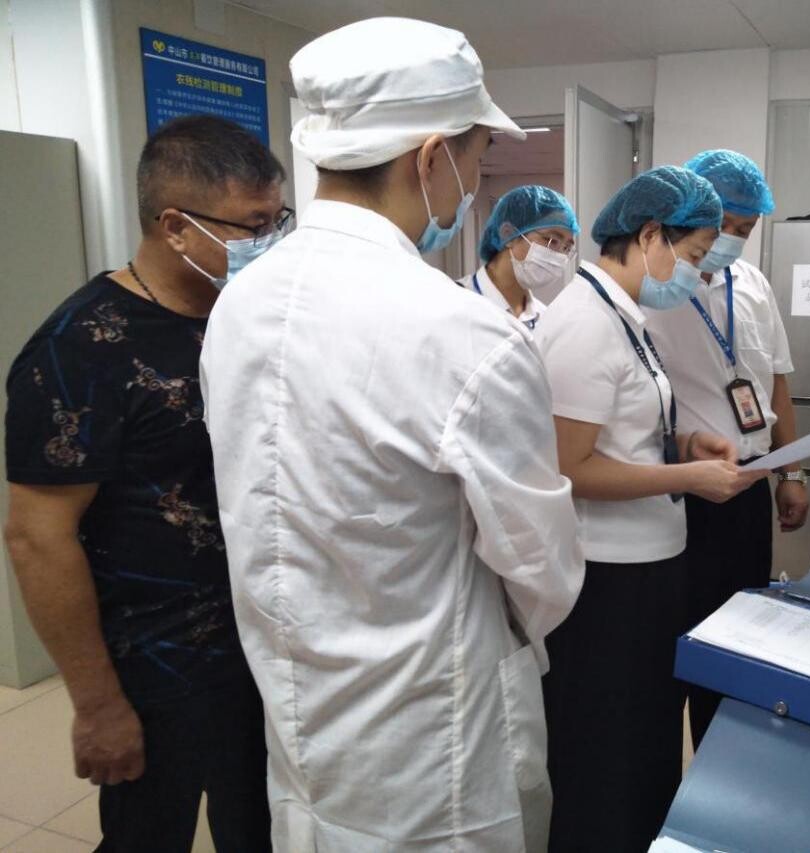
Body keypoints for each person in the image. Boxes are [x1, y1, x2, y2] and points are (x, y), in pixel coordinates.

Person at [198, 18, 584, 852]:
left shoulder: (240, 302)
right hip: (433, 746)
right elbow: (544, 573)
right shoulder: (464, 332)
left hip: (302, 718)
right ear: (432, 157)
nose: (473, 182)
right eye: (479, 155)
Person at [3, 115, 286, 852]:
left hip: (265, 644)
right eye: (253, 226)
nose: (269, 241)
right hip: (154, 662)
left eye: (278, 220)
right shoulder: (79, 349)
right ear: (177, 227)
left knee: (263, 830)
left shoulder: (249, 316)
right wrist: (97, 704)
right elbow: (37, 536)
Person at [535, 165, 768, 851]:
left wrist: (688, 442)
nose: (695, 273)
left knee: (644, 747)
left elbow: (627, 430)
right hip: (607, 581)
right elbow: (569, 466)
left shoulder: (622, 314)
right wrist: (685, 474)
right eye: (693, 255)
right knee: (606, 758)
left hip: (650, 568)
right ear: (648, 235)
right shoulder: (583, 323)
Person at [646, 149, 809, 748]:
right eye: (726, 227)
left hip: (751, 486)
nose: (733, 240)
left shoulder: (754, 284)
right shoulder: (654, 291)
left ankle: (724, 756)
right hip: (681, 491)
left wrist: (793, 472)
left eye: (746, 228)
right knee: (679, 641)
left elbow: (776, 383)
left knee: (741, 638)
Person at [458, 184, 578, 328]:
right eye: (551, 241)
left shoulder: (545, 320)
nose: (558, 255)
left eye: (566, 248)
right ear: (508, 234)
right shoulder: (454, 301)